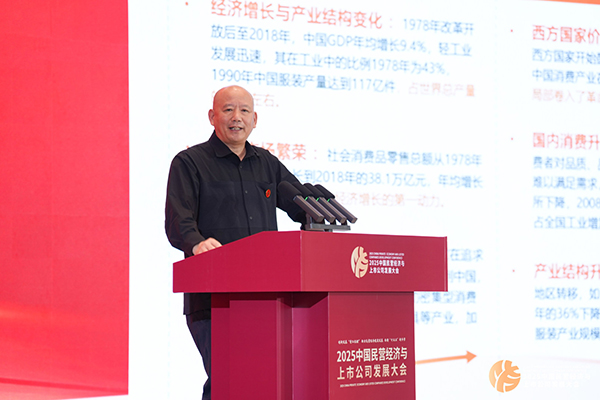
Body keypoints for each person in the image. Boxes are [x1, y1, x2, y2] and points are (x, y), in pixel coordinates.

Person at [165, 85, 304, 399]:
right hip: (214, 299)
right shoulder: (190, 162)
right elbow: (178, 220)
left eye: (244, 111)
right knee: (228, 380)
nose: (236, 117)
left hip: (267, 297)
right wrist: (197, 244)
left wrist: (320, 213)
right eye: (228, 110)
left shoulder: (267, 164)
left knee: (264, 382)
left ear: (255, 119)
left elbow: (299, 204)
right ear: (212, 116)